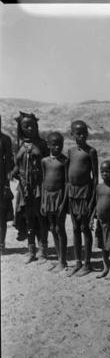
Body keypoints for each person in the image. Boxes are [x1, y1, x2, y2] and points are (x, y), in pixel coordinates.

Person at [11, 112, 49, 263]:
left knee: (41, 217)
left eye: (32, 125)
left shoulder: (42, 144)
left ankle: (43, 249)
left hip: (39, 187)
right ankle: (31, 250)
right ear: (21, 128)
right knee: (28, 218)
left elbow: (48, 164)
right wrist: (14, 173)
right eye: (25, 126)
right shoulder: (19, 145)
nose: (29, 128)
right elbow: (17, 164)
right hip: (24, 187)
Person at [66, 120, 99, 277]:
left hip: (86, 193)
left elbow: (96, 177)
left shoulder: (91, 152)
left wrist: (93, 197)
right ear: (72, 134)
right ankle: (78, 261)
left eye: (84, 132)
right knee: (75, 228)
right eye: (78, 133)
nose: (82, 136)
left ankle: (88, 263)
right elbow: (67, 175)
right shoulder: (71, 152)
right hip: (73, 194)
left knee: (85, 228)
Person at [41, 132, 68, 272]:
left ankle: (63, 262)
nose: (57, 147)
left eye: (60, 144)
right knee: (52, 228)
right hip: (48, 197)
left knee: (59, 228)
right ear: (48, 145)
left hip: (60, 197)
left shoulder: (64, 161)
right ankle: (59, 260)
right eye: (54, 144)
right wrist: (43, 202)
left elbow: (67, 183)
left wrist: (64, 202)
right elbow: (43, 181)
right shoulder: (44, 161)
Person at [0, 115, 15, 256]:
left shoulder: (5, 140)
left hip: (1, 182)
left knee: (2, 216)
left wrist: (6, 184)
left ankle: (1, 245)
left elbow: (9, 163)